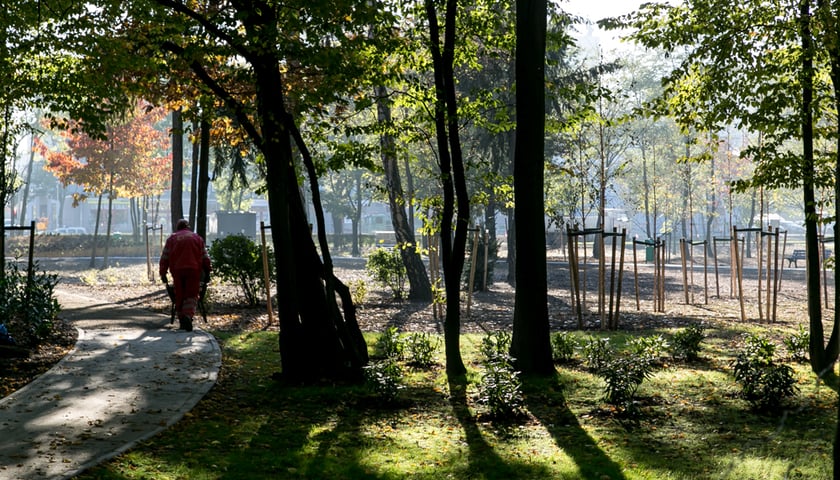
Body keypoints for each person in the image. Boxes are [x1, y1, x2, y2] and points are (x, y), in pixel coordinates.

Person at [159, 219, 211, 332]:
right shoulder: (197, 238)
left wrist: (163, 273)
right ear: (188, 227)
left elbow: (165, 257)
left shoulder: (172, 239)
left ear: (177, 227)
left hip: (177, 271)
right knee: (192, 294)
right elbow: (205, 257)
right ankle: (188, 315)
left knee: (180, 294)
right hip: (193, 270)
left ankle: (182, 319)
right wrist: (208, 271)